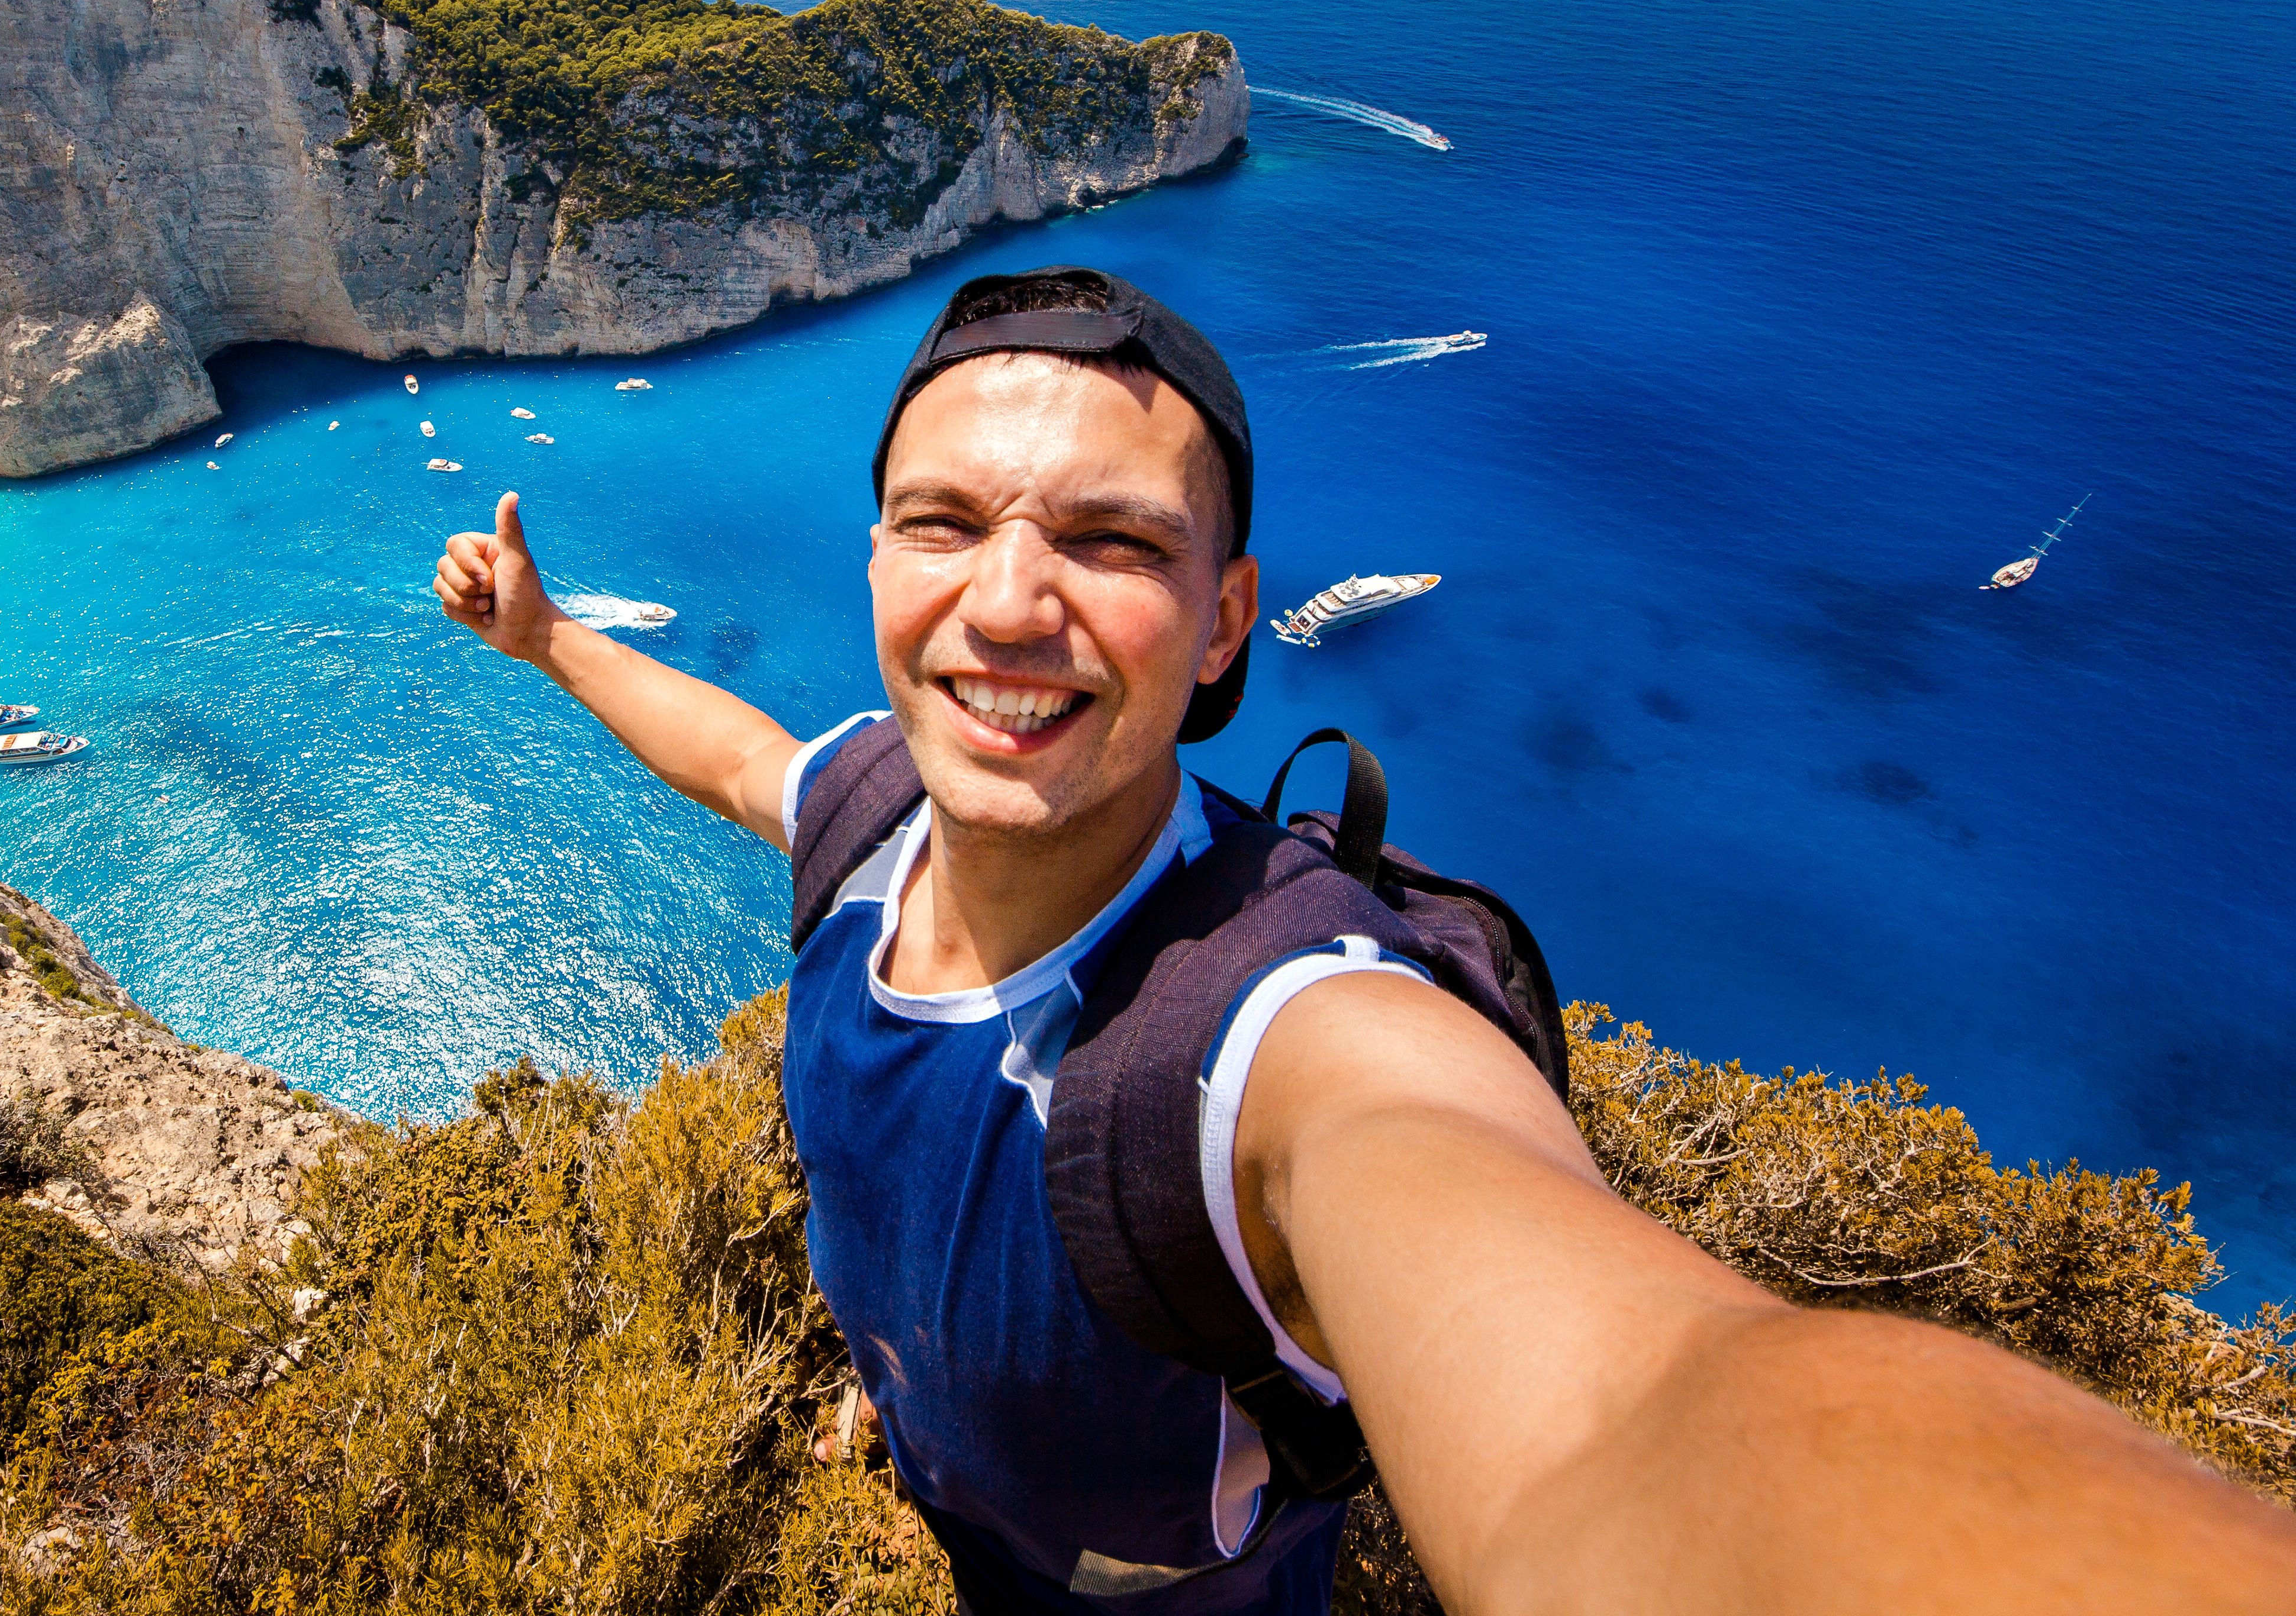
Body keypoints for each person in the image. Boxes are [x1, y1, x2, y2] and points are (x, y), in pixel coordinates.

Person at [433, 266, 2296, 1614]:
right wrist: (549, 640)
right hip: (956, 1482)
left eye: (1111, 543)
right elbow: (746, 757)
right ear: (876, 569)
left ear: (1230, 622)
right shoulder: (868, 822)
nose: (1006, 603)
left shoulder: (1276, 1037)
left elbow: (1630, 1407)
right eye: (945, 522)